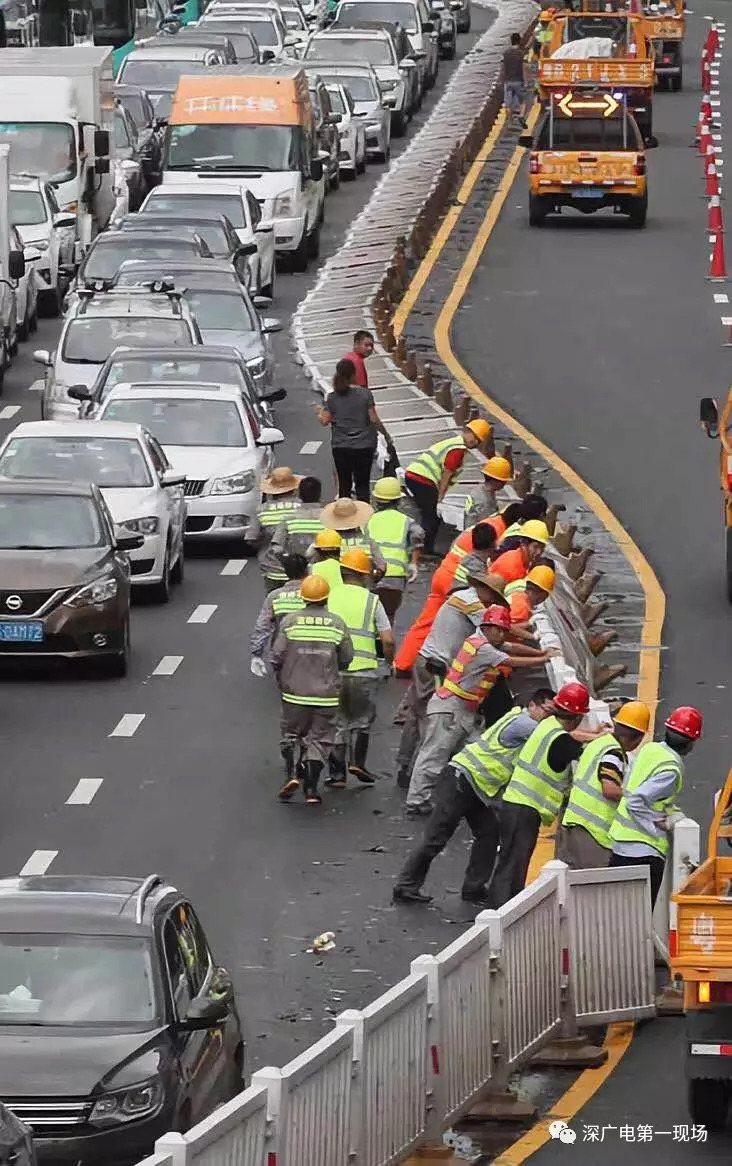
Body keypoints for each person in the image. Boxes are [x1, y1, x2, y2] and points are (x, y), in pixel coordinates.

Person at [393, 689, 556, 904]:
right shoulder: (524, 724)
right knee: (436, 837)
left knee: (489, 834)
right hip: (462, 781)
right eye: (547, 710)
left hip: (476, 786)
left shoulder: (518, 717)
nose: (549, 717)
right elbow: (553, 737)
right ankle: (406, 886)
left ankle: (474, 888)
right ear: (533, 705)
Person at [405, 607, 559, 817]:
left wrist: (542, 652)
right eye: (501, 630)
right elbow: (509, 660)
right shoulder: (483, 649)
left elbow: (512, 647)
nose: (503, 635)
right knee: (434, 754)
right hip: (451, 709)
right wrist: (543, 659)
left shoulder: (484, 641)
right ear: (488, 628)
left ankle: (474, 797)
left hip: (465, 710)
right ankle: (416, 800)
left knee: (478, 753)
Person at [395, 570, 510, 788]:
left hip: (429, 660)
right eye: (493, 598)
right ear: (484, 590)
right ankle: (420, 775)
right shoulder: (472, 604)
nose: (493, 604)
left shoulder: (464, 598)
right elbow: (499, 632)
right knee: (432, 720)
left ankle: (407, 766)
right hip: (435, 666)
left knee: (418, 714)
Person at [485, 681, 592, 907]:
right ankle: (500, 914)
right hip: (524, 809)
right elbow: (582, 752)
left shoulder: (547, 725)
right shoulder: (560, 739)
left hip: (516, 805)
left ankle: (502, 912)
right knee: (513, 865)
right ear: (577, 717)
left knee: (510, 863)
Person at [608, 706, 703, 907]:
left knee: (618, 915)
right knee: (638, 917)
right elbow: (637, 800)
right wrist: (654, 827)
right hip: (643, 853)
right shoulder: (671, 769)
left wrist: (672, 813)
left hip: (620, 844)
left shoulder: (651, 749)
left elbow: (647, 795)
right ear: (690, 744)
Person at [270, 575, 353, 805]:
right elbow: (346, 658)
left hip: (293, 693)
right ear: (326, 598)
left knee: (291, 734)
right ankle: (311, 790)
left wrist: (282, 676)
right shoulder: (337, 623)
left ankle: (293, 774)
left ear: (303, 598)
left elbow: (276, 656)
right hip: (326, 696)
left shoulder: (289, 622)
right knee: (320, 739)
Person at [393, 521, 499, 674]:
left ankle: (402, 664)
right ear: (493, 544)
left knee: (424, 623)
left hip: (443, 576)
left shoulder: (469, 554)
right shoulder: (479, 567)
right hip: (452, 589)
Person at [326, 548, 395, 785]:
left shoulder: (329, 596)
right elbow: (387, 640)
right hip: (365, 670)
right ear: (365, 574)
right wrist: (388, 663)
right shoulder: (372, 601)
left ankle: (336, 775)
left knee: (337, 722)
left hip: (333, 670)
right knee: (362, 720)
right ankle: (357, 762)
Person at [556, 700, 651, 870]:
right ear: (638, 737)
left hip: (572, 821)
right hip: (592, 831)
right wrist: (635, 799)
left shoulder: (599, 743)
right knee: (594, 888)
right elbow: (609, 789)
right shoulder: (613, 752)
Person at [404, 419, 493, 555]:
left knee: (428, 515)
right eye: (473, 437)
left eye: (478, 440)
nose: (474, 442)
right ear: (467, 431)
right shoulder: (457, 449)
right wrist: (440, 498)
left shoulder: (454, 443)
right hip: (423, 479)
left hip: (415, 475)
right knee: (431, 517)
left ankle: (419, 545)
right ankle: (423, 549)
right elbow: (447, 473)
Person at [316, 359, 394, 502]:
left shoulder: (332, 397)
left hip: (341, 447)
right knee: (362, 485)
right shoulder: (365, 394)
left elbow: (324, 421)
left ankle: (346, 518)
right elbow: (374, 419)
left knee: (344, 487)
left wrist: (319, 411)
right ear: (354, 374)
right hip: (364, 445)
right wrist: (386, 435)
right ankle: (363, 518)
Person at [365, 476, 424, 624]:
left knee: (368, 616)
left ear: (376, 500)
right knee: (388, 618)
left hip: (372, 574)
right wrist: (414, 563)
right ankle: (386, 643)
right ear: (398, 501)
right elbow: (418, 535)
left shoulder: (368, 520)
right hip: (395, 577)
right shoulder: (406, 520)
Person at [250, 553, 309, 676]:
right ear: (307, 571)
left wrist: (256, 654)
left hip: (283, 652)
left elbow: (263, 626)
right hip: (314, 651)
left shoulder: (275, 596)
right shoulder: (317, 595)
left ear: (286, 572)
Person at [261, 477, 325, 580]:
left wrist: (290, 563)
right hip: (321, 574)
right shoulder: (328, 519)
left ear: (299, 495)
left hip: (297, 574)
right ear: (319, 494)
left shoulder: (288, 519)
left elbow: (277, 550)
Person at [257, 466, 304, 591]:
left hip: (272, 569)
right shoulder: (302, 508)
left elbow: (252, 538)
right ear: (294, 489)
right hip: (301, 569)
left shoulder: (261, 510)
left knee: (274, 603)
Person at [319, 497, 387, 576]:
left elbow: (310, 556)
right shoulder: (367, 541)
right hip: (364, 583)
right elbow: (382, 567)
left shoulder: (328, 539)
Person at [464, 456, 513, 526]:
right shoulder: (485, 502)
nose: (505, 484)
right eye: (504, 481)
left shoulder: (479, 489)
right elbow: (486, 526)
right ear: (498, 481)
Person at [503, 32, 529, 128]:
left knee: (508, 104)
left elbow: (503, 68)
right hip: (518, 81)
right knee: (523, 102)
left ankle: (509, 122)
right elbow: (524, 68)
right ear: (519, 41)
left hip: (508, 81)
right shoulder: (521, 54)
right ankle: (521, 116)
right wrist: (526, 81)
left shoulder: (506, 53)